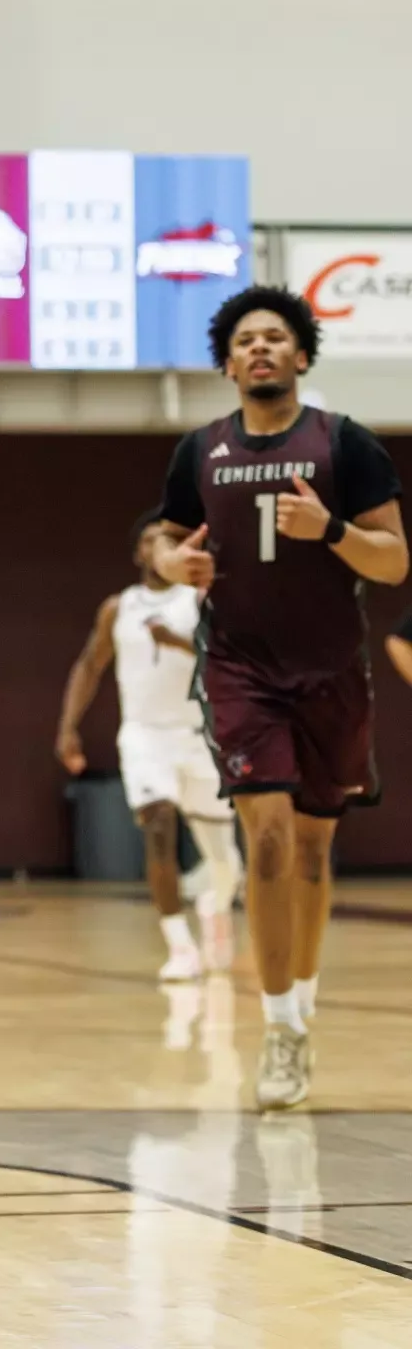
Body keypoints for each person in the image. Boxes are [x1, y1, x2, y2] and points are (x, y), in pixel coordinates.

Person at [152, 286, 407, 1111]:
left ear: (301, 355)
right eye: (245, 340)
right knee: (263, 838)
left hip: (331, 672)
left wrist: (330, 531)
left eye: (275, 337)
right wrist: (171, 564)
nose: (260, 347)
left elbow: (393, 563)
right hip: (240, 669)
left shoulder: (345, 444)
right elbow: (163, 537)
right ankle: (279, 1029)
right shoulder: (201, 450)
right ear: (228, 365)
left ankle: (302, 1000)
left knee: (311, 851)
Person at [56, 515, 241, 981]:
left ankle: (214, 905)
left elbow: (226, 660)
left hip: (197, 736)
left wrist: (175, 641)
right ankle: (180, 946)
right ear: (139, 553)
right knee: (157, 825)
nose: (158, 547)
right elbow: (89, 665)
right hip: (144, 735)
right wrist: (68, 727)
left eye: (168, 539)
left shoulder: (199, 600)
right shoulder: (119, 608)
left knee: (226, 865)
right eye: (149, 540)